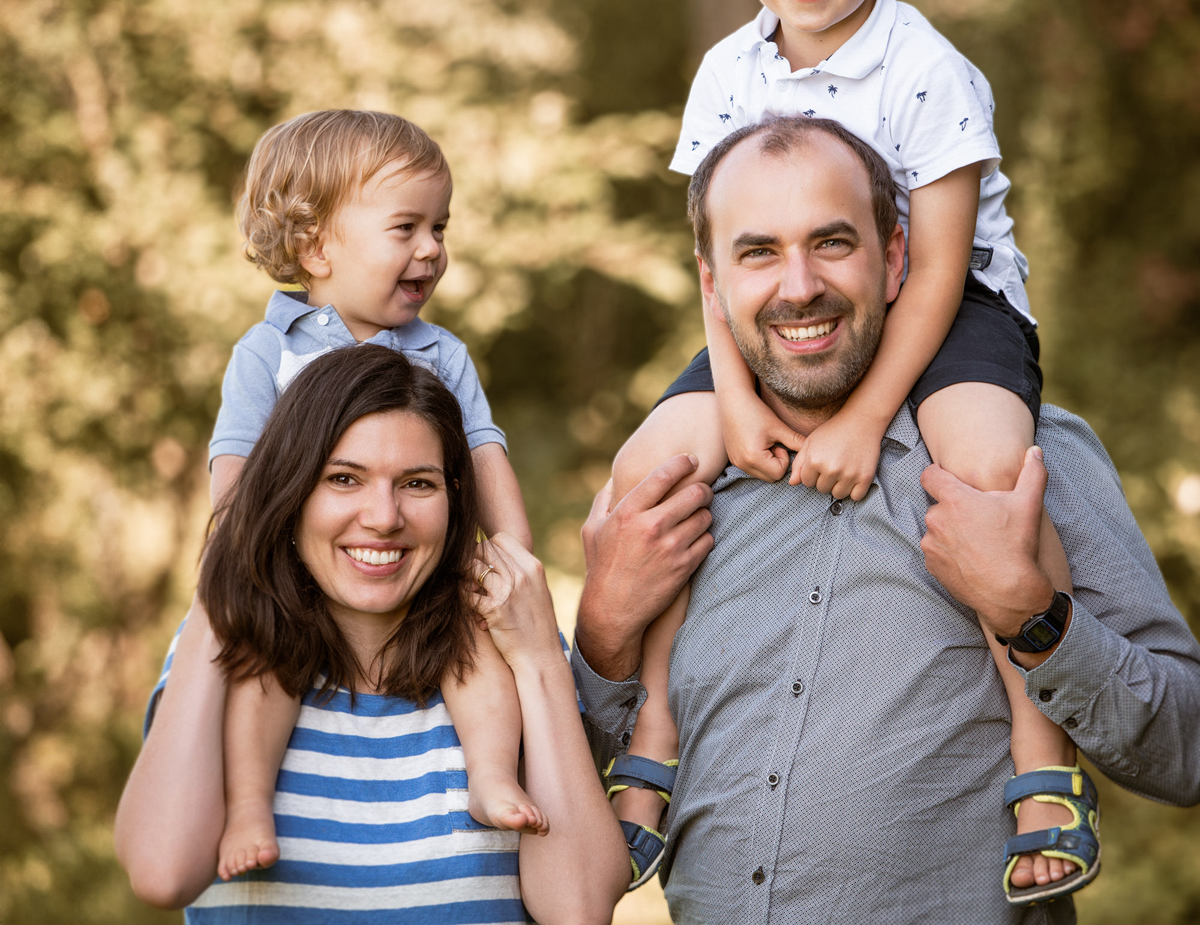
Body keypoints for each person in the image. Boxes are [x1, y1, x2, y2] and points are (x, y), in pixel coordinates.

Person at [606, 0, 1078, 904]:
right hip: (779, 316)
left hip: (952, 307)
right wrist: (736, 401)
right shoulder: (727, 73)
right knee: (650, 470)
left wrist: (868, 419)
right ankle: (655, 733)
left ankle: (1040, 757)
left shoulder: (928, 70)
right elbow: (715, 264)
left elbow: (940, 267)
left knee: (989, 462)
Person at [573, 116, 1200, 923]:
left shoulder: (1017, 465)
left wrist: (1036, 619)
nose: (799, 285)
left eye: (832, 243)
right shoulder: (668, 497)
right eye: (758, 252)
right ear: (712, 281)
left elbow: (1187, 753)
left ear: (897, 255)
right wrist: (603, 635)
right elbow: (533, 804)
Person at [114, 344, 629, 923]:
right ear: (289, 492)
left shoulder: (509, 654)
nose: (384, 517)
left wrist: (539, 660)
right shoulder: (226, 644)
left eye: (417, 484)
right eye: (343, 479)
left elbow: (580, 910)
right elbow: (162, 874)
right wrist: (227, 580)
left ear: (455, 500)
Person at [205, 109, 539, 881]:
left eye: (439, 227)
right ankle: (249, 804)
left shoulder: (439, 353)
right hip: (299, 571)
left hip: (416, 572)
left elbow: (484, 452)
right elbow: (235, 466)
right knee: (263, 662)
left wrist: (512, 557)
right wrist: (241, 559)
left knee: (474, 648)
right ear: (315, 246)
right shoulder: (270, 352)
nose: (432, 249)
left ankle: (491, 775)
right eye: (406, 228)